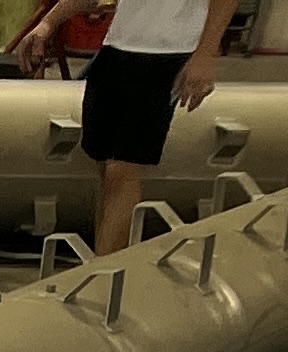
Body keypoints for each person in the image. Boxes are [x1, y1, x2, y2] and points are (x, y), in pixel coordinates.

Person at [15, 0, 245, 255]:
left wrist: (205, 54)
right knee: (105, 166)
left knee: (122, 167)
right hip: (117, 48)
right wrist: (48, 23)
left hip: (169, 53)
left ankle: (105, 270)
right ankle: (104, 261)